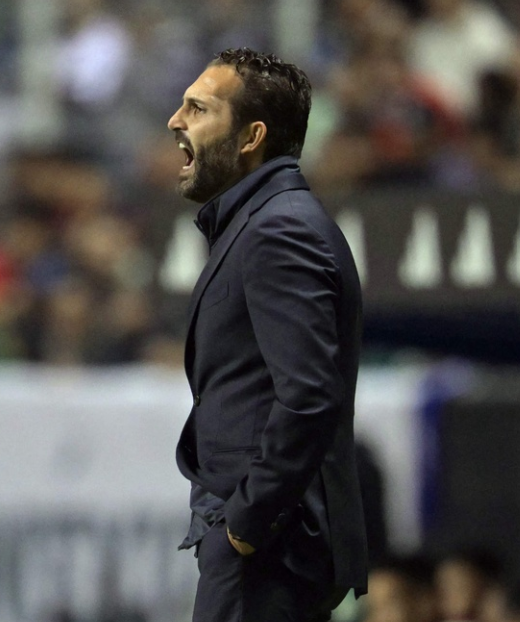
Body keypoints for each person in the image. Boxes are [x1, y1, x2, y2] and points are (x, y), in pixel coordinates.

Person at [168, 48, 367, 622]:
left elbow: (308, 395)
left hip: (273, 550)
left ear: (251, 136)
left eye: (197, 109)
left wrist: (245, 527)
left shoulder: (279, 230)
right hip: (266, 546)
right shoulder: (264, 221)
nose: (175, 121)